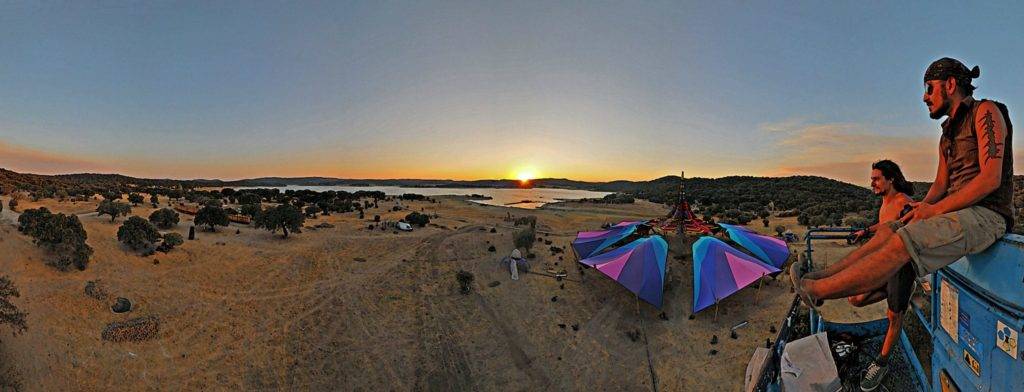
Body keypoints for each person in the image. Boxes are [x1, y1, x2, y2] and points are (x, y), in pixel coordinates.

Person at [790, 58, 1014, 391]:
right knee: (891, 230)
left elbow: (990, 179)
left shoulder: (986, 112)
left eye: (928, 89)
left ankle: (817, 292)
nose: (925, 97)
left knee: (903, 241)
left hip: (987, 214)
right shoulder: (946, 135)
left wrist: (932, 213)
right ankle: (818, 278)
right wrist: (921, 207)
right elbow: (940, 186)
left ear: (950, 84)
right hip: (957, 213)